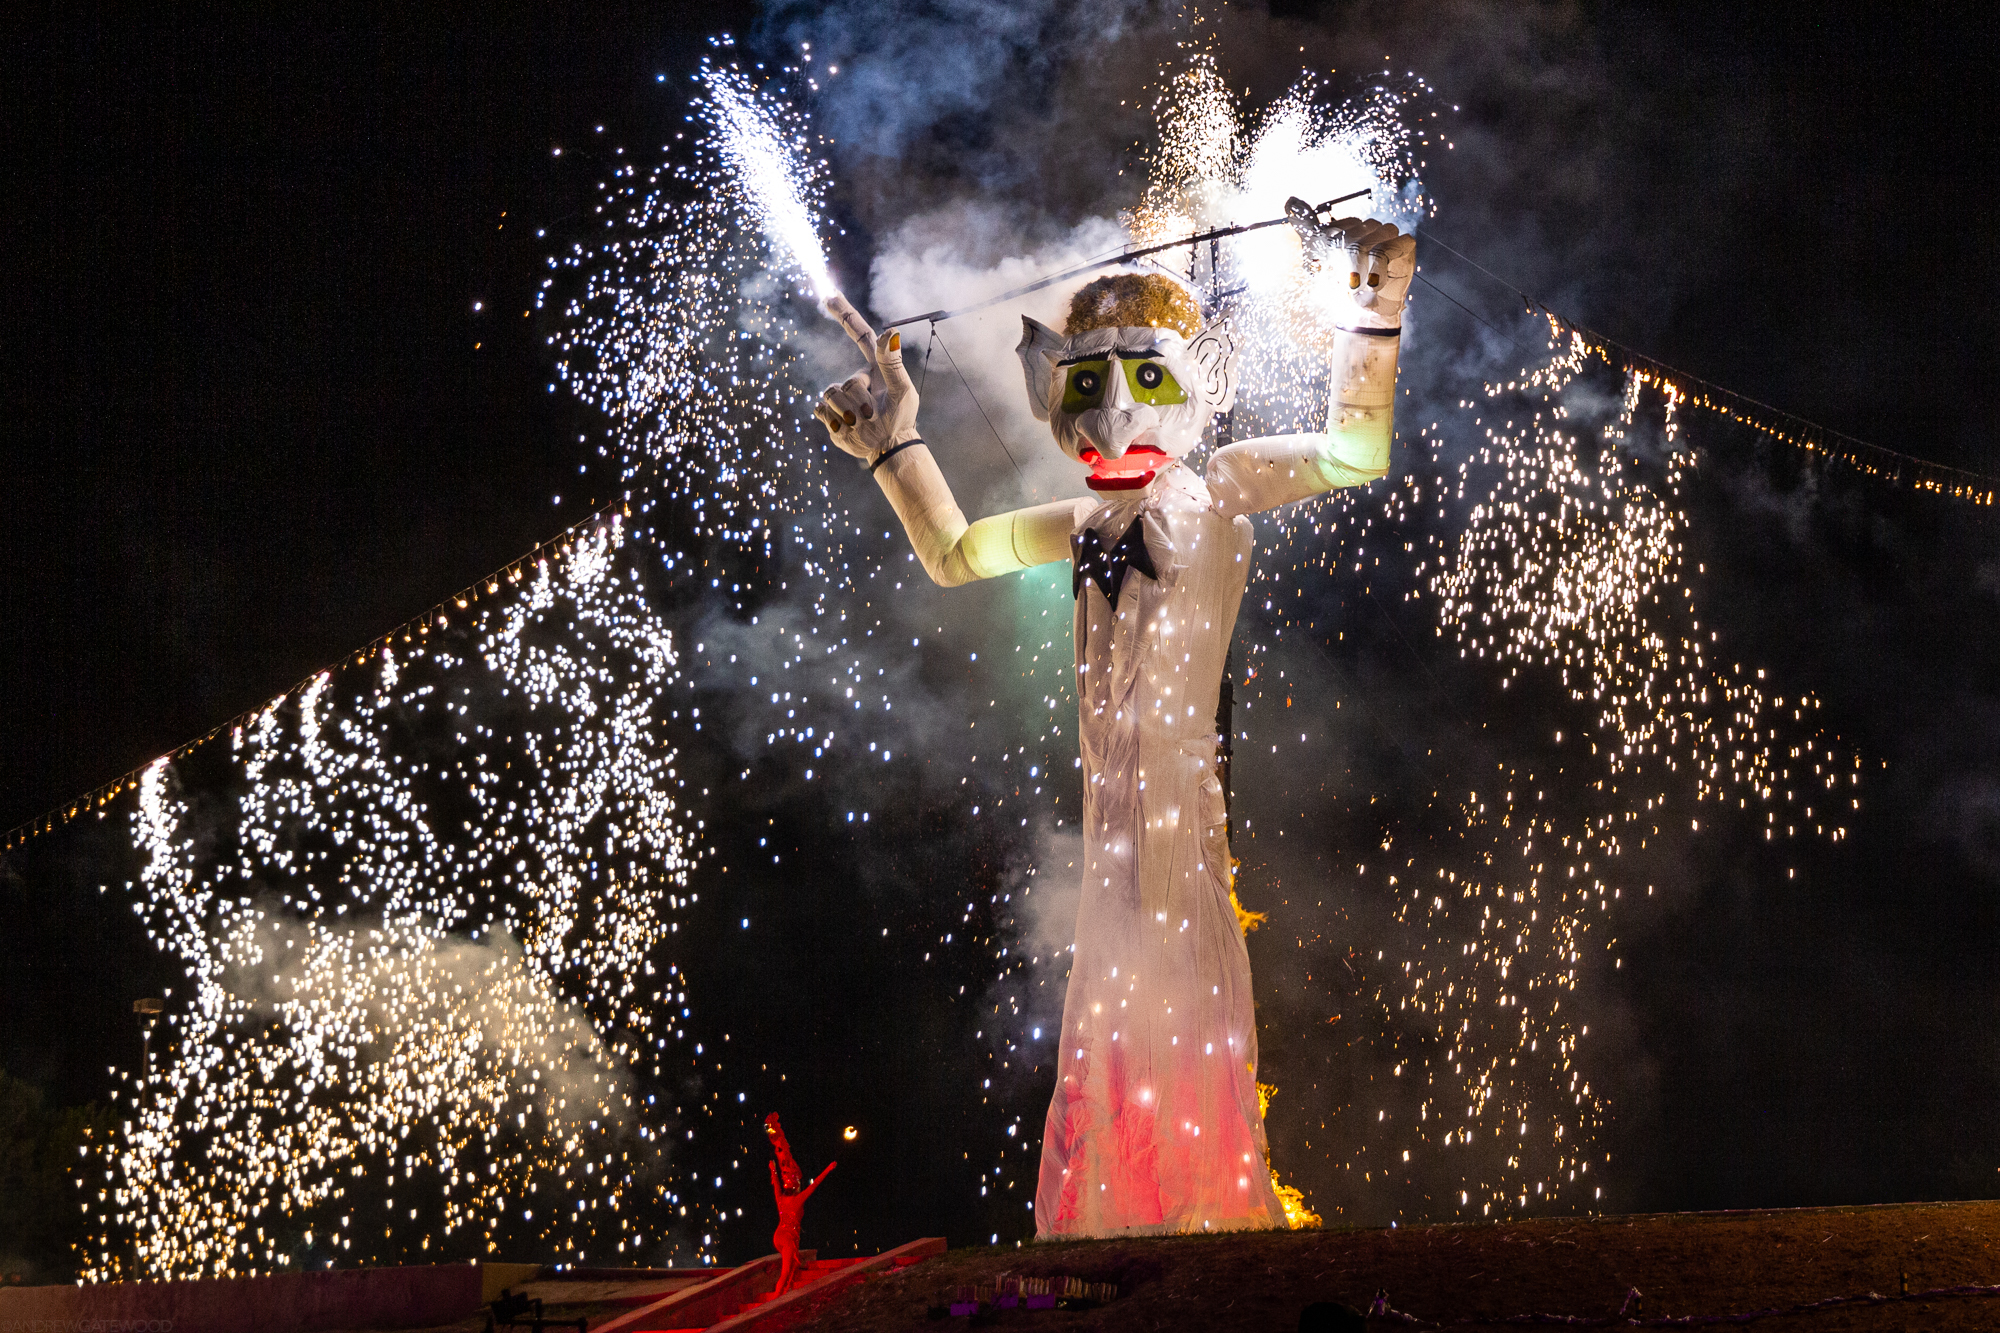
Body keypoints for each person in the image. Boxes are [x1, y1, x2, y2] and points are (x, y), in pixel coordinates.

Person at [814, 206, 1413, 1237]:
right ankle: (1124, 1217)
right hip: (1113, 836)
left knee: (1182, 1006)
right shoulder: (1083, 518)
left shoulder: (1220, 486)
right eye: (1083, 383)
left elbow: (1352, 453)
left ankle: (1197, 1215)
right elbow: (955, 554)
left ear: (1202, 381)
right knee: (1115, 1032)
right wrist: (894, 446)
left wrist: (1372, 318)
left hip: (1179, 821)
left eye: (1143, 373)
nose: (1109, 410)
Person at [763, 1113, 835, 1294]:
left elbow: (776, 1185)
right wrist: (828, 1168)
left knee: (792, 1266)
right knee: (785, 1272)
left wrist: (773, 1170)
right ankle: (775, 1301)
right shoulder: (797, 1199)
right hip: (787, 1237)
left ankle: (783, 1294)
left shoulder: (782, 1199)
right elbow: (815, 1185)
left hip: (779, 1235)